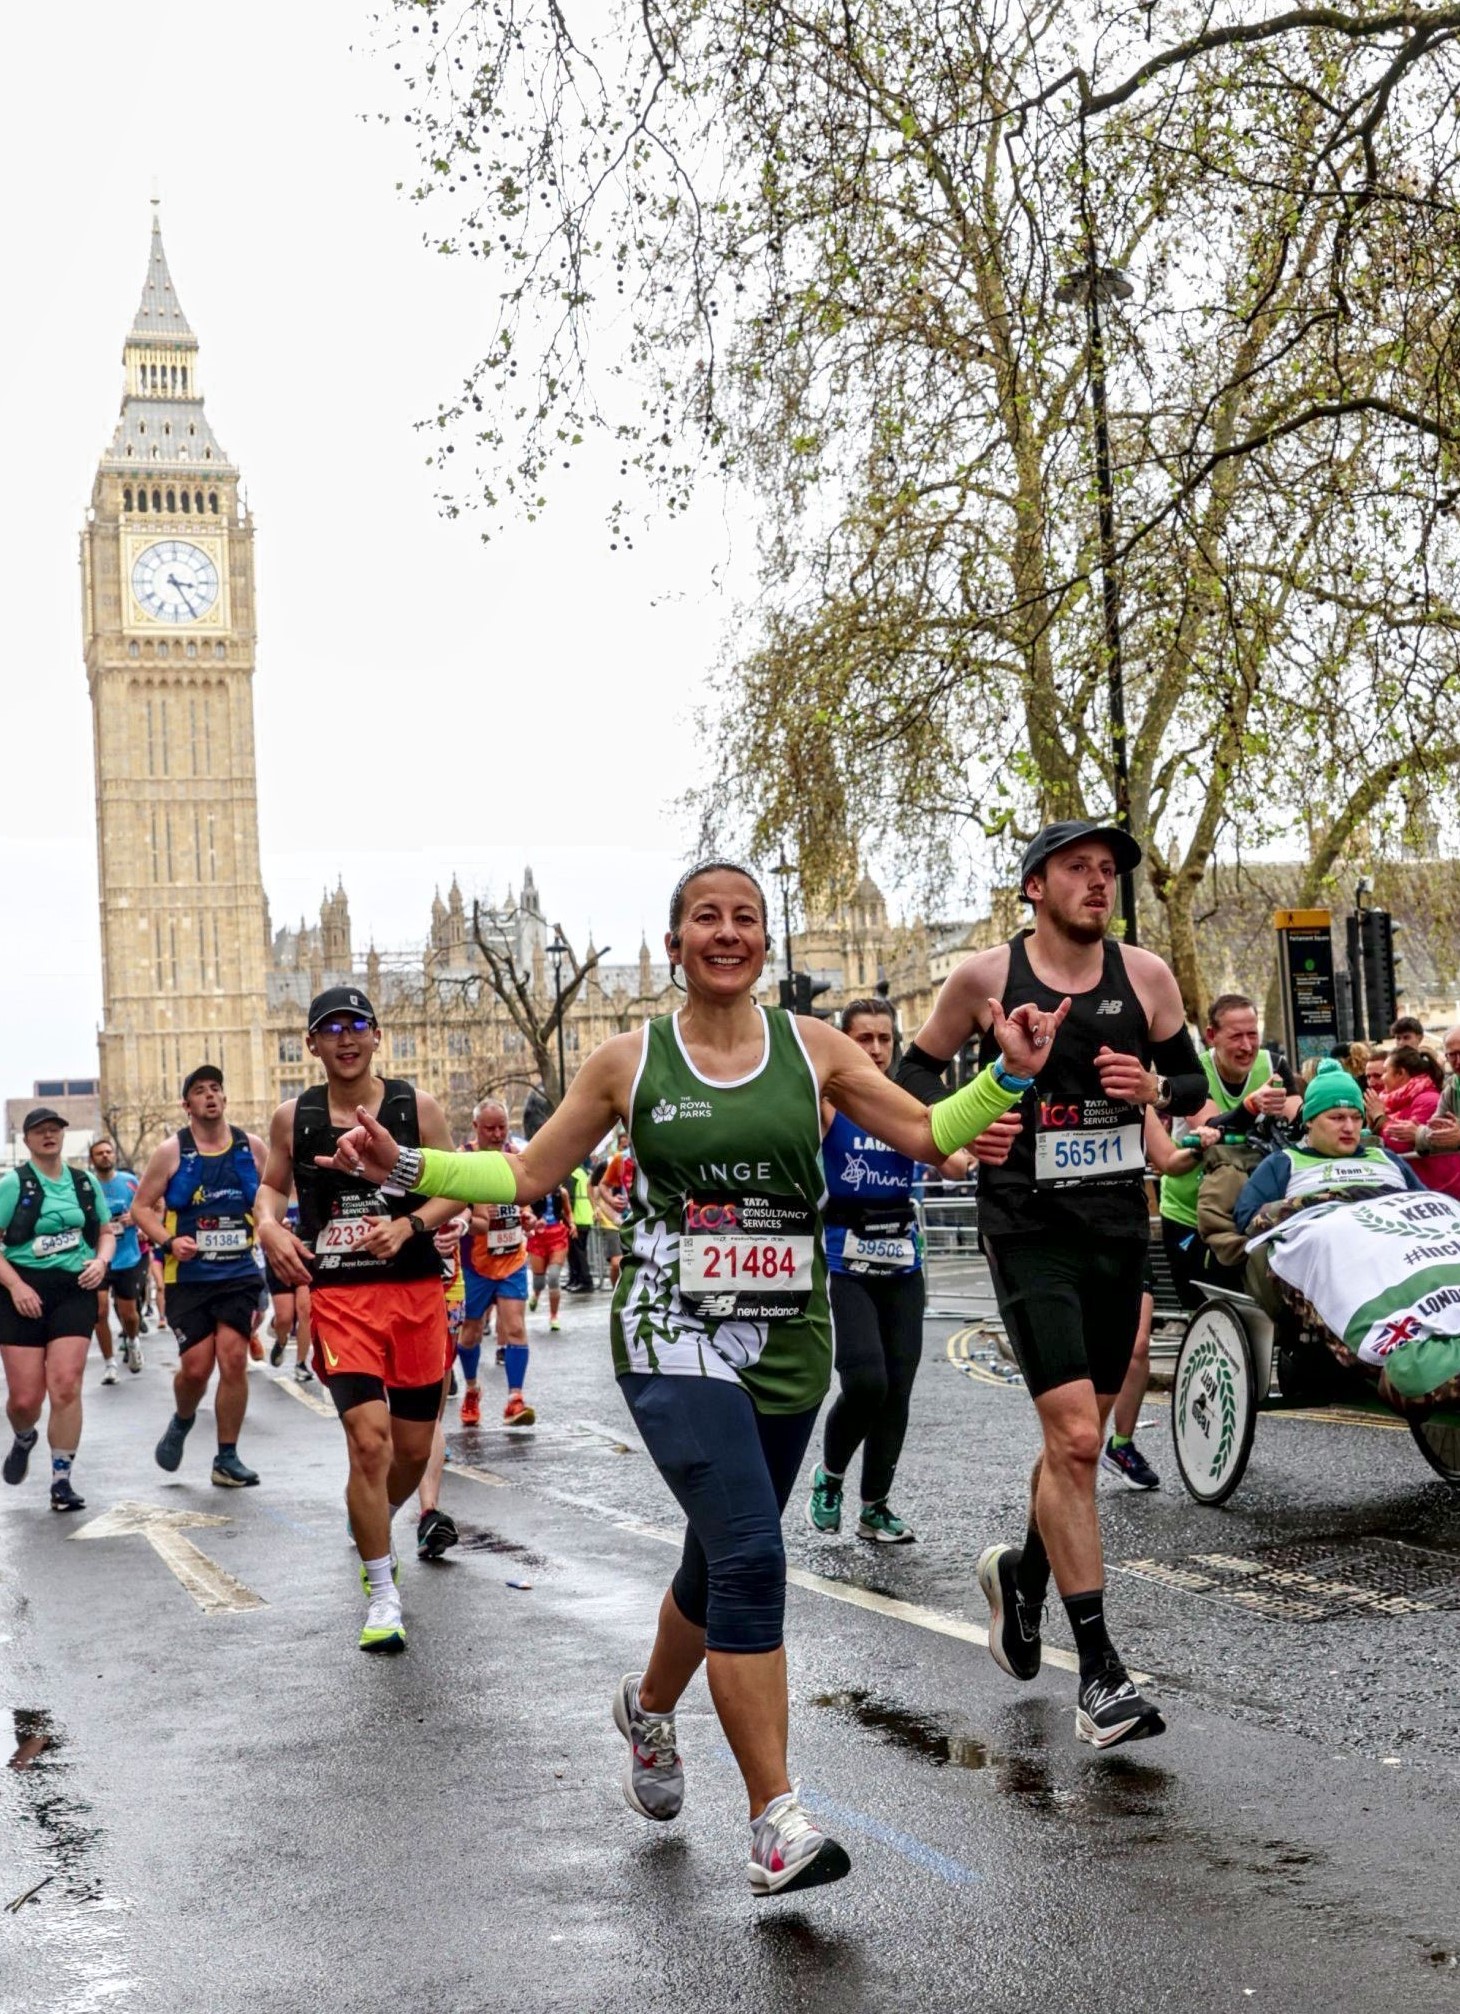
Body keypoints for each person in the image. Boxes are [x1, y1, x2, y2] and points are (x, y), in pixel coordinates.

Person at [315, 859, 1066, 1893]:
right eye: (704, 917)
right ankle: (776, 1820)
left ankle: (649, 1708)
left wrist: (1013, 1071)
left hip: (789, 1337)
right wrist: (403, 1169)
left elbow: (930, 1134)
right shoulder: (628, 1061)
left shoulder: (816, 1051)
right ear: (672, 943)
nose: (726, 932)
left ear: (765, 940)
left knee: (715, 1565)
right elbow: (528, 1174)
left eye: (745, 918)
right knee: (754, 1552)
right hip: (671, 1329)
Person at [895, 820, 1205, 1750]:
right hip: (1028, 1229)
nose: (1099, 883)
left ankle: (1022, 1579)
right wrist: (958, 1135)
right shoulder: (985, 979)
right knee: (1076, 1437)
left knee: (1082, 1436)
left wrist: (1148, 1085)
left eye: (1109, 871)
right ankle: (1101, 1672)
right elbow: (910, 1078)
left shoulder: (1144, 976)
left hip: (1117, 1224)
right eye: (1080, 869)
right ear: (1035, 885)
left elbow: (1190, 1085)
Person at [253, 987, 464, 1654]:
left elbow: (461, 1182)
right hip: (342, 1300)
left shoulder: (415, 1107)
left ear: (377, 1036)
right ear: (311, 1044)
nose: (345, 1038)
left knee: (407, 1450)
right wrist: (267, 1227)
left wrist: (409, 1224)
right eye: (330, 1029)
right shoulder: (295, 1116)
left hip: (415, 1297)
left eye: (356, 1026)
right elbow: (272, 1186)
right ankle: (382, 1590)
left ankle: (376, 1517)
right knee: (367, 1443)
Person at [807, 996, 1010, 1543]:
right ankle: (829, 1478)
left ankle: (875, 1508)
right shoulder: (828, 1104)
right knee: (866, 1381)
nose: (874, 1050)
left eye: (883, 1040)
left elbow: (952, 1158)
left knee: (897, 1389)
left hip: (902, 1262)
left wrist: (981, 1148)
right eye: (862, 1039)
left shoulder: (905, 1105)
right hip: (844, 1260)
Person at [131, 1068, 268, 1489]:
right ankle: (183, 1418)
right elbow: (141, 1208)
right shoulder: (172, 1152)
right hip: (188, 1276)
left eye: (215, 1090)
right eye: (199, 1092)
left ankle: (227, 1457)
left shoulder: (252, 1147)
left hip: (240, 1272)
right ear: (186, 1106)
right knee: (196, 1368)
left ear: (225, 1100)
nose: (210, 1096)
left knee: (232, 1359)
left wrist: (269, 1229)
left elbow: (274, 1198)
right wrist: (170, 1241)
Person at [0, 1109, 116, 1512]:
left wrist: (101, 1262)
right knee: (24, 1400)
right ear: (27, 1140)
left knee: (66, 1384)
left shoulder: (83, 1183)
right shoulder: (13, 1184)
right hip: (22, 1292)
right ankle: (23, 1436)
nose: (48, 1136)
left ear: (64, 1137)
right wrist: (15, 1285)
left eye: (55, 1130)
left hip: (73, 1289)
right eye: (39, 1131)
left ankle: (61, 1479)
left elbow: (104, 1232)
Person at [1155, 993, 1301, 1310]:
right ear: (1212, 1035)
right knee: (1204, 1315)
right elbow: (1207, 1125)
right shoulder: (1193, 1071)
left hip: (1254, 1216)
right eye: (1236, 1036)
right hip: (1190, 1213)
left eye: (1253, 1035)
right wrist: (1250, 1108)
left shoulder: (1274, 1066)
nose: (1247, 1047)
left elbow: (1301, 1124)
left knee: (1260, 1315)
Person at [457, 1100, 534, 1426]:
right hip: (475, 1262)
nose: (498, 1133)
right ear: (476, 1127)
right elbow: (451, 1211)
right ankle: (472, 1389)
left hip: (513, 1257)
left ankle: (515, 1398)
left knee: (515, 1327)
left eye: (502, 1126)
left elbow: (526, 1202)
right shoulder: (462, 1159)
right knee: (471, 1333)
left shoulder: (518, 1155)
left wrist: (528, 1218)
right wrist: (475, 1222)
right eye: (490, 1128)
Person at [88, 1137, 145, 1380]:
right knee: (99, 1312)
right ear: (92, 1159)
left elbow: (148, 1208)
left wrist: (136, 1219)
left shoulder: (130, 1182)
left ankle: (132, 1342)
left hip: (127, 1256)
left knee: (129, 1313)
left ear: (114, 1155)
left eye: (109, 1152)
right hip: (98, 1257)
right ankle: (110, 1363)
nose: (105, 1156)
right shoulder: (87, 1185)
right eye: (99, 1153)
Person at [525, 1179, 573, 1331]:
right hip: (538, 1237)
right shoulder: (532, 1192)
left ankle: (554, 1316)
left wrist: (572, 1224)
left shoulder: (562, 1193)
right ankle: (536, 1296)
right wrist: (533, 1222)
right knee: (539, 1281)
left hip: (557, 1235)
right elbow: (526, 1211)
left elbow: (568, 1212)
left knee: (553, 1277)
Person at [566, 1160, 596, 1291]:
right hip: (585, 1216)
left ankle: (584, 1281)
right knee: (578, 1251)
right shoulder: (582, 1172)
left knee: (577, 1252)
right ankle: (576, 1280)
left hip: (577, 1218)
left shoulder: (572, 1173)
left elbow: (569, 1198)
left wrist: (568, 1218)